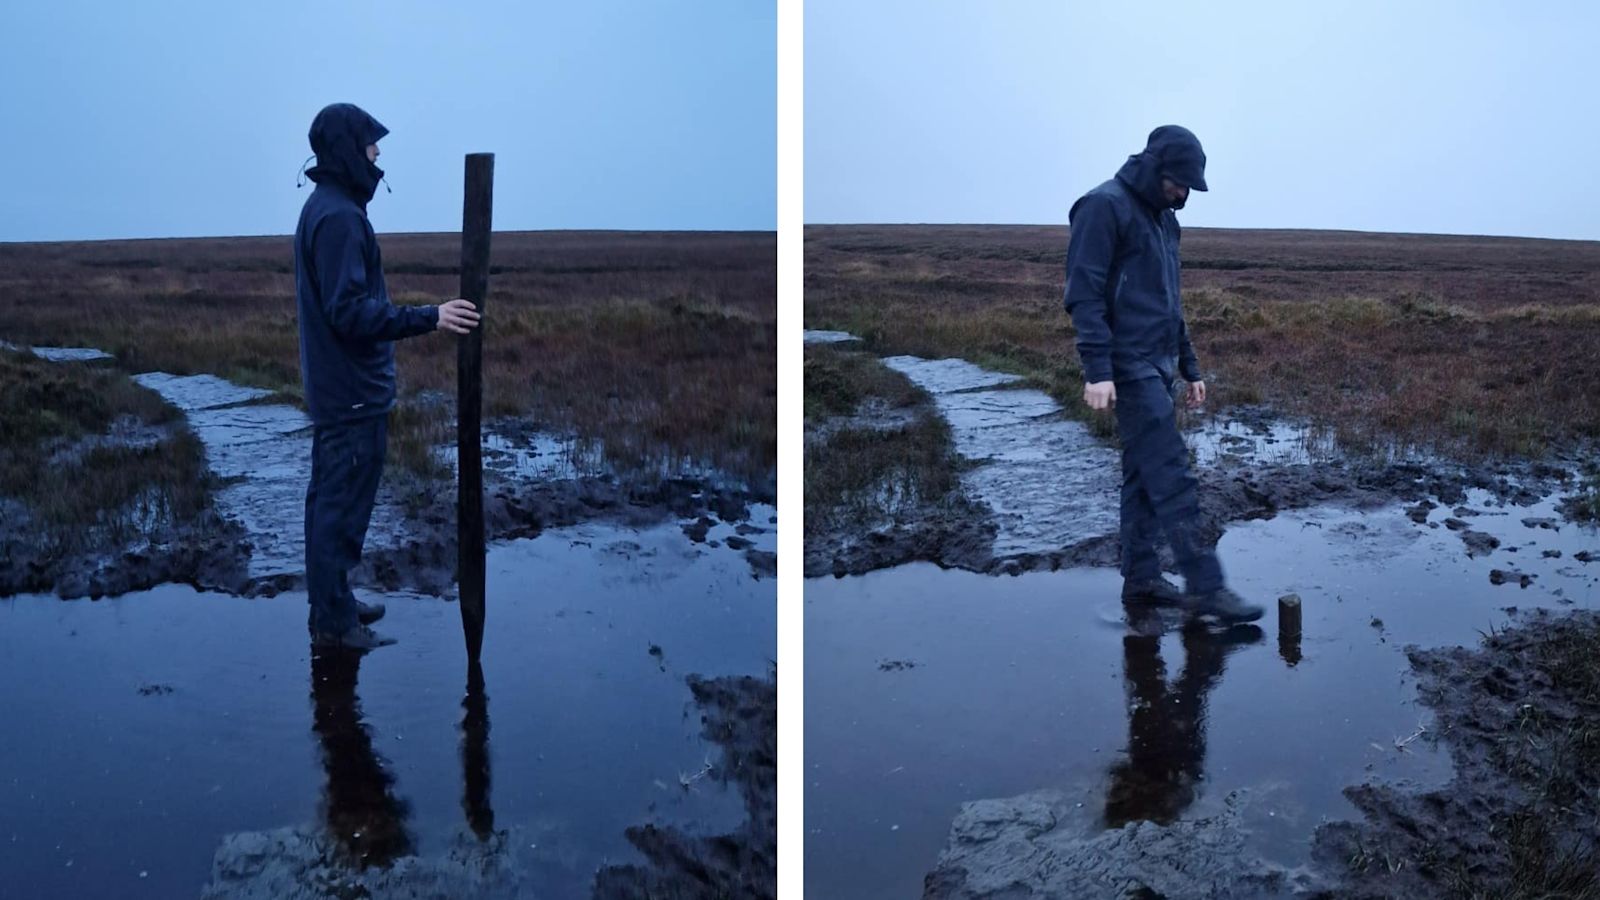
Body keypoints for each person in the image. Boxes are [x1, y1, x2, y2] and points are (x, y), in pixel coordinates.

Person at [296, 102, 481, 649]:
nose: (378, 154)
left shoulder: (329, 209)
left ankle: (335, 604)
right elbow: (349, 312)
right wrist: (432, 316)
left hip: (344, 391)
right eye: (371, 144)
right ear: (349, 149)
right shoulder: (340, 219)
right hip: (351, 395)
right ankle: (332, 626)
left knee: (332, 502)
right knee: (339, 510)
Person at [1062, 125, 1262, 623]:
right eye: (1179, 184)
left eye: (1191, 187)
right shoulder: (1102, 207)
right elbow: (1083, 294)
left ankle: (1143, 580)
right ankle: (1207, 585)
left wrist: (1189, 366)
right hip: (1127, 367)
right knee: (1171, 471)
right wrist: (1097, 370)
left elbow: (1171, 304)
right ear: (1155, 168)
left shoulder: (1165, 222)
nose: (1184, 195)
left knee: (1141, 476)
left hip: (1159, 365)